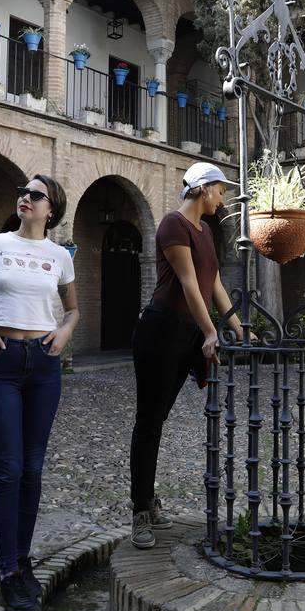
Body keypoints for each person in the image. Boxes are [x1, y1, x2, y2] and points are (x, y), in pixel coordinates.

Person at [0, 175, 78, 611]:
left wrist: (65, 332)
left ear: (52, 209)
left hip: (44, 365)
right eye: (22, 193)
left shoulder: (60, 256)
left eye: (35, 195)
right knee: (8, 470)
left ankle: (23, 560)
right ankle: (9, 572)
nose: (24, 198)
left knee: (32, 468)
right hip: (2, 363)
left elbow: (73, 309)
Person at [128, 162, 241, 549]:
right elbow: (189, 282)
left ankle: (148, 503)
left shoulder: (205, 231)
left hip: (188, 331)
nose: (222, 197)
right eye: (220, 190)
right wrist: (211, 330)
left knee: (159, 419)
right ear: (203, 189)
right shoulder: (172, 225)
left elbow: (215, 284)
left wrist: (237, 325)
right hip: (160, 331)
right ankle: (142, 510)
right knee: (149, 421)